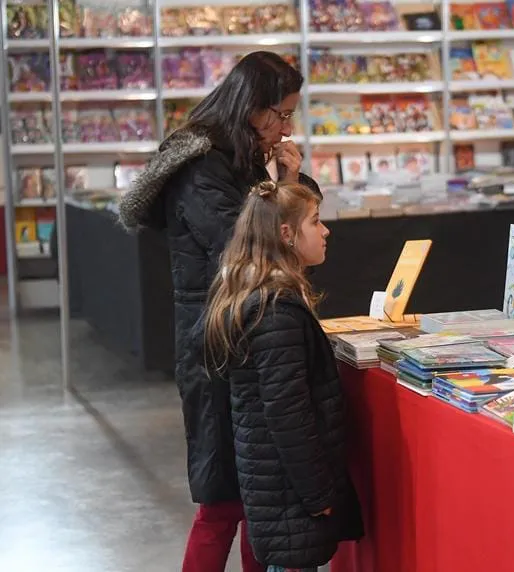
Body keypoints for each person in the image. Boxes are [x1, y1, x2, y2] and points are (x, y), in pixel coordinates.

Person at [116, 51, 321, 571]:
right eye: (280, 114)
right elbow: (246, 243)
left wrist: (291, 181)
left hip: (248, 332)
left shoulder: (245, 155)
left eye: (290, 116)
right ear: (251, 107)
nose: (284, 127)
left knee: (260, 498)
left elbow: (278, 232)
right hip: (216, 343)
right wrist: (289, 188)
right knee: (222, 500)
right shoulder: (200, 164)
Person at [203, 181, 364, 572]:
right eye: (316, 221)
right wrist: (318, 494)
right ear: (287, 234)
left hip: (278, 487)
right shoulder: (276, 314)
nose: (325, 231)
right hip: (290, 492)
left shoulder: (258, 299)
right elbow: (287, 414)